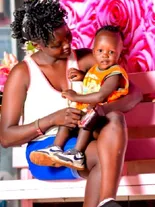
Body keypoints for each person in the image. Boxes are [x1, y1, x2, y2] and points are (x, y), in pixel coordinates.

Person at [0, 0, 142, 207]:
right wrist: (51, 119)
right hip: (46, 152)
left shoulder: (83, 58)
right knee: (103, 156)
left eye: (69, 36)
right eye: (58, 44)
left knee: (114, 118)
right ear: (37, 44)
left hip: (78, 146)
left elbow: (133, 93)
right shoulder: (23, 73)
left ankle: (106, 206)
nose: (68, 46)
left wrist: (99, 110)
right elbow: (6, 137)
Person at [30, 26, 129, 172]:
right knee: (68, 118)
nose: (105, 55)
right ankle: (55, 148)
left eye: (111, 52)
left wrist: (76, 96)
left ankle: (77, 153)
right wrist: (83, 77)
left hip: (102, 116)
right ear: (94, 51)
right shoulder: (96, 70)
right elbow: (95, 82)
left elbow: (101, 95)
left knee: (86, 120)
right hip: (89, 109)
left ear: (119, 56)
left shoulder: (115, 73)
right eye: (100, 51)